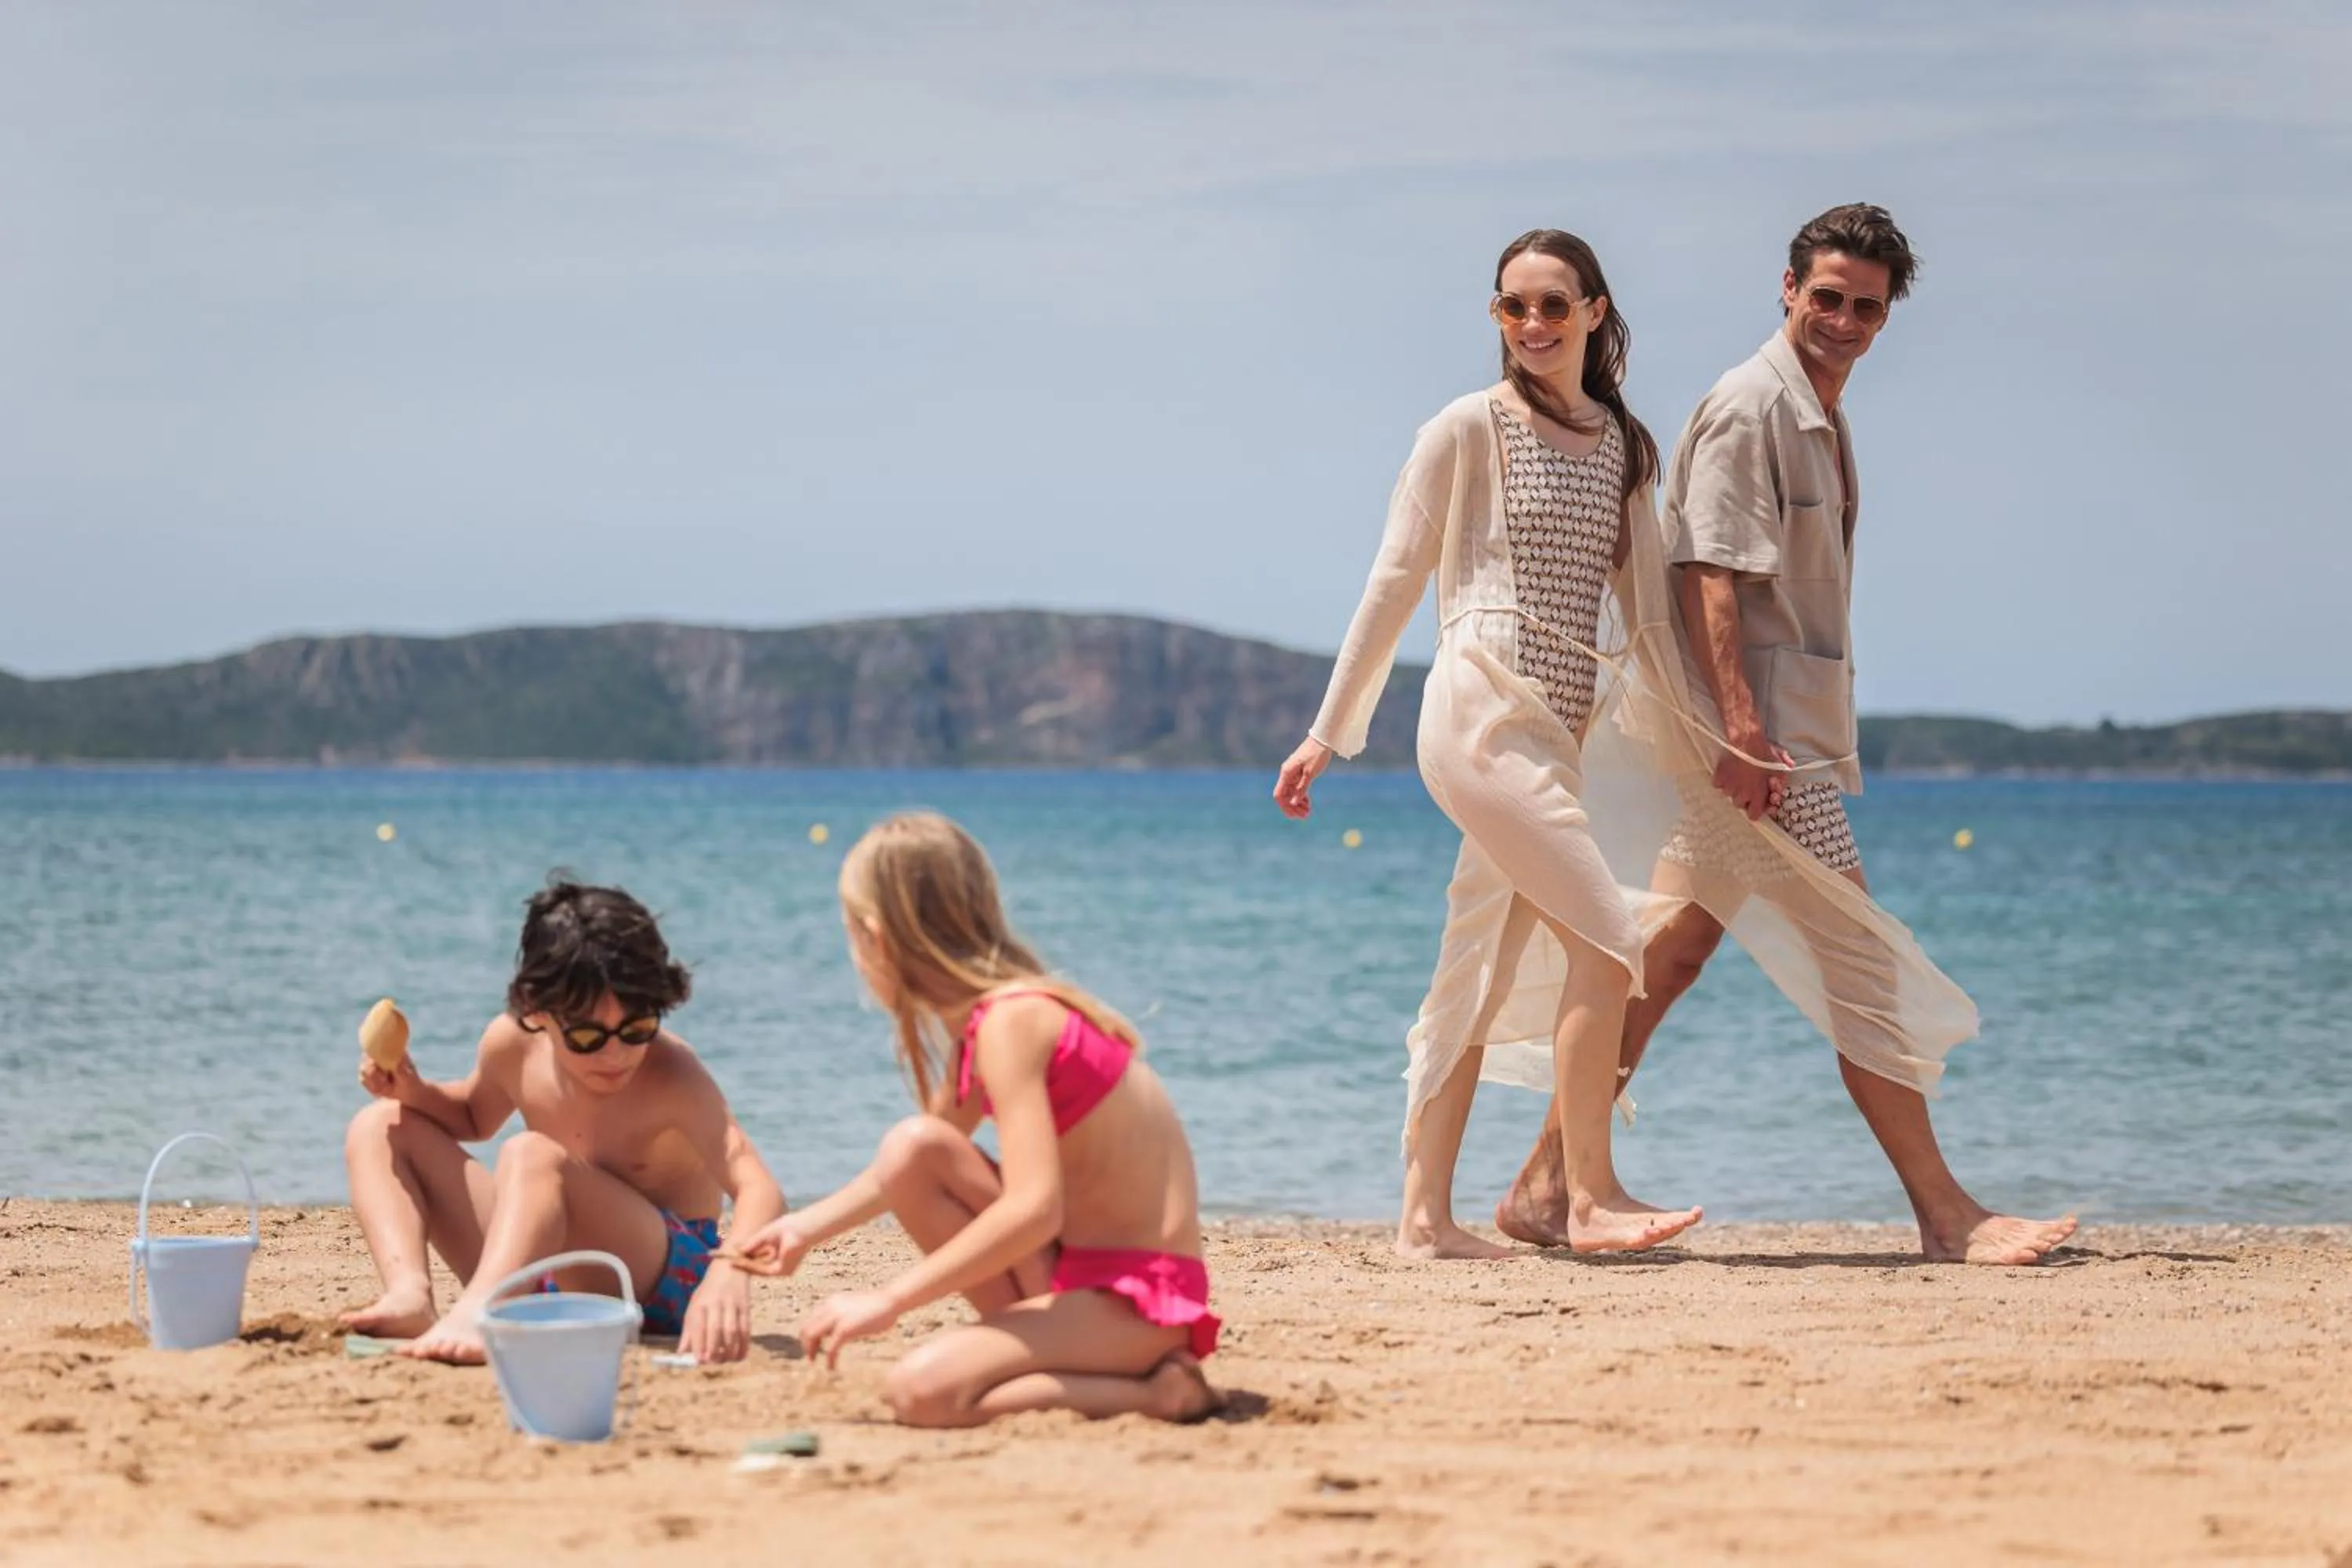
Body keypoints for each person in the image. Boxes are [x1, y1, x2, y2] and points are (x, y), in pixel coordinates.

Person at [1497, 204, 2078, 1265]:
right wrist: (1746, 731)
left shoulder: (1816, 407)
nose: (1844, 320)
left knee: (1673, 951)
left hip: (1769, 727)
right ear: (1786, 289)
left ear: (1887, 314)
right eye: (1827, 299)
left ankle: (1545, 1185)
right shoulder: (1751, 405)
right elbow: (1708, 571)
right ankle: (1949, 1215)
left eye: (1865, 306)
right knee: (1857, 952)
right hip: (1749, 738)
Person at [1274, 229, 1705, 1259]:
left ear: (1597, 312)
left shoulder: (1624, 447)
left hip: (1557, 735)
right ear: (1496, 318)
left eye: (1555, 305)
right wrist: (1328, 733)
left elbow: (1647, 618)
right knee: (1610, 942)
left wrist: (1708, 743)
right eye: (1515, 307)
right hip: (1475, 713)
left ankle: (1424, 1222)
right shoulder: (1464, 429)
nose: (1535, 324)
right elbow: (1394, 581)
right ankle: (1587, 1197)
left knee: (1471, 968)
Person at [725, 812, 1222, 1428]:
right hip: (1085, 1280)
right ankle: (1058, 1352)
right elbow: (910, 1165)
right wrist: (804, 1229)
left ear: (878, 939)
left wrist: (889, 1300)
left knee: (920, 1392)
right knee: (916, 1147)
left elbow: (1035, 1208)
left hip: (1136, 1303)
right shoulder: (990, 1024)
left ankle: (1158, 1394)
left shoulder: (1013, 1024)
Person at [340, 879, 786, 1363]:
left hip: (662, 1283)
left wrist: (728, 1274)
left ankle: (484, 1310)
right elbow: (472, 1115)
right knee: (381, 1125)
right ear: (538, 1009)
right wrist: (413, 1092)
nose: (616, 1054)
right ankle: (410, 1295)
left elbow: (759, 1188)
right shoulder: (511, 1044)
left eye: (636, 1028)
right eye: (589, 1036)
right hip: (537, 1267)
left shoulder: (672, 1074)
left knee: (529, 1153)